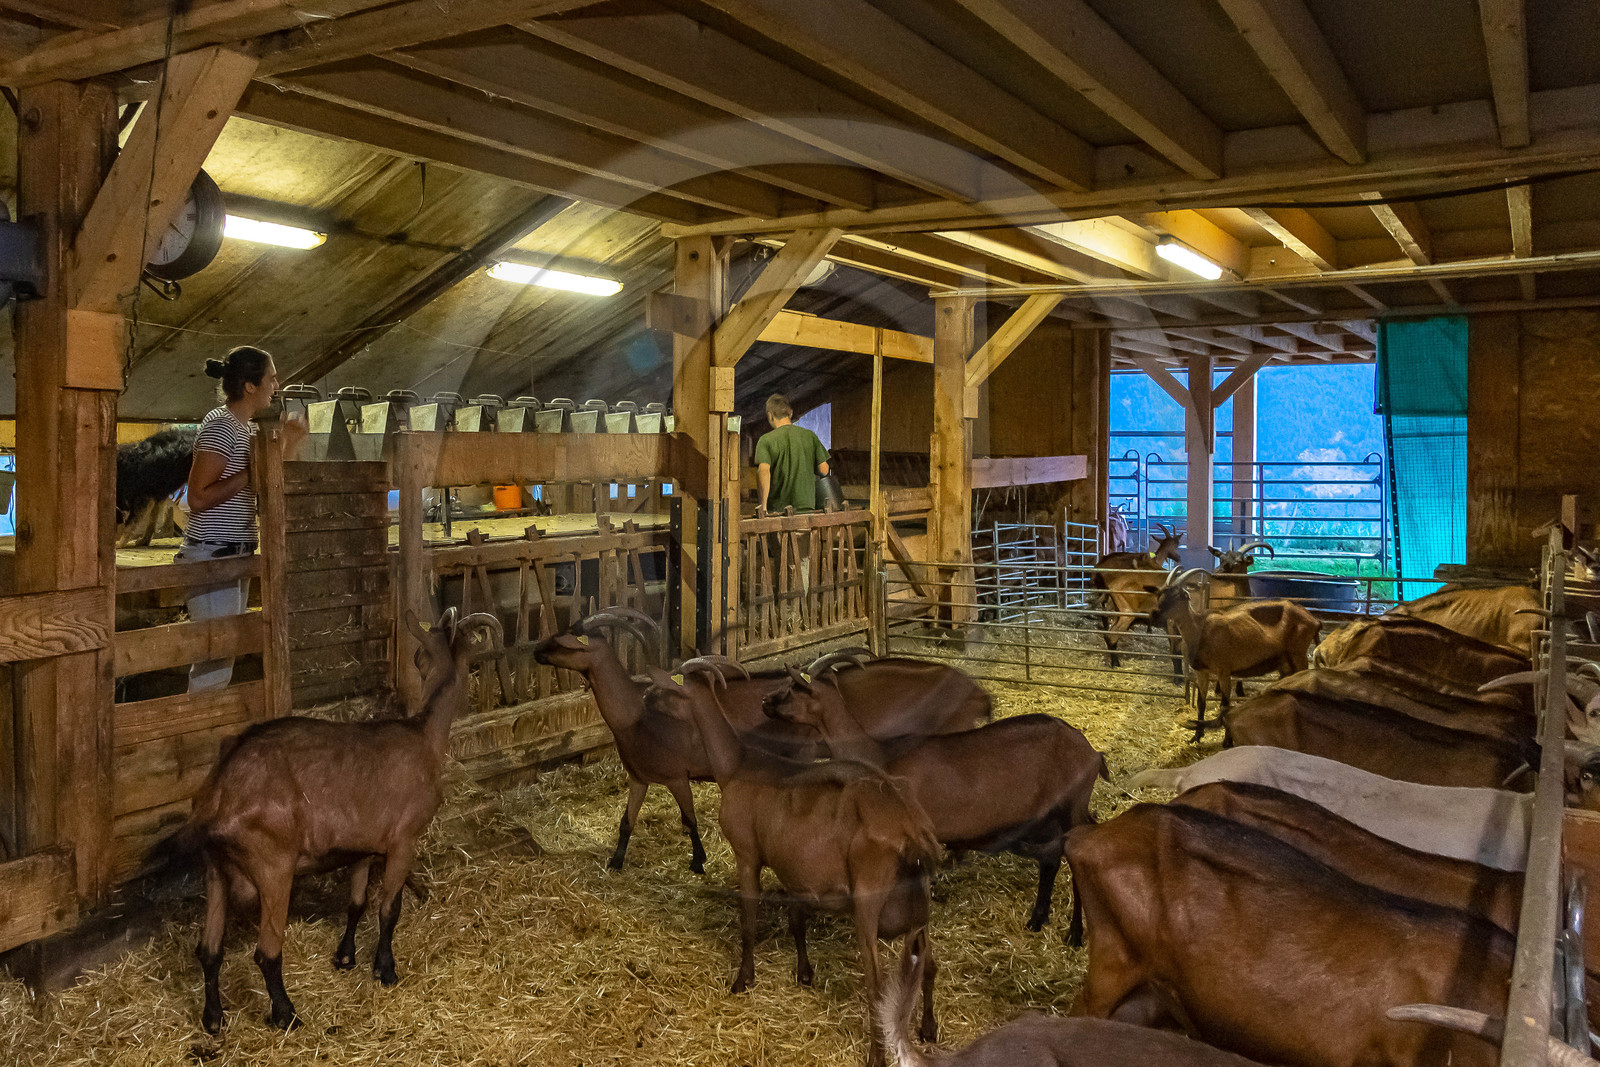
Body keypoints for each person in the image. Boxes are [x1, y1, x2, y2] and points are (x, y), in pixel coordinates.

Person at [181, 346, 306, 691]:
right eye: (272, 378)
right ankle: (199, 735)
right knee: (214, 660)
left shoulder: (245, 430)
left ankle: (207, 734)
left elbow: (266, 484)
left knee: (223, 657)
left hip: (234, 553)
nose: (276, 385)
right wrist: (250, 473)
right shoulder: (221, 426)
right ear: (251, 386)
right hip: (212, 553)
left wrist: (288, 444)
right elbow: (198, 497)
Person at [753, 393, 830, 515]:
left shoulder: (766, 440)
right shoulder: (810, 436)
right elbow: (824, 469)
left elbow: (763, 472)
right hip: (806, 510)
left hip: (778, 512)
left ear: (770, 415)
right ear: (790, 413)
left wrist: (763, 506)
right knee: (805, 534)